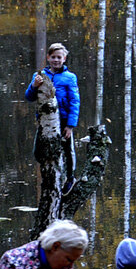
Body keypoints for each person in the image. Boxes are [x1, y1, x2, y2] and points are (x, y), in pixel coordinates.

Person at [25, 41, 80, 195]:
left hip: (63, 120)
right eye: (53, 57)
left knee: (68, 150)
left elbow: (75, 102)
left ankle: (70, 178)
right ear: (48, 57)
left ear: (64, 59)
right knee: (39, 150)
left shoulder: (70, 77)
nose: (56, 60)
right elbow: (29, 97)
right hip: (45, 120)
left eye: (59, 57)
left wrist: (70, 125)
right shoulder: (39, 76)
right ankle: (50, 173)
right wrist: (34, 86)